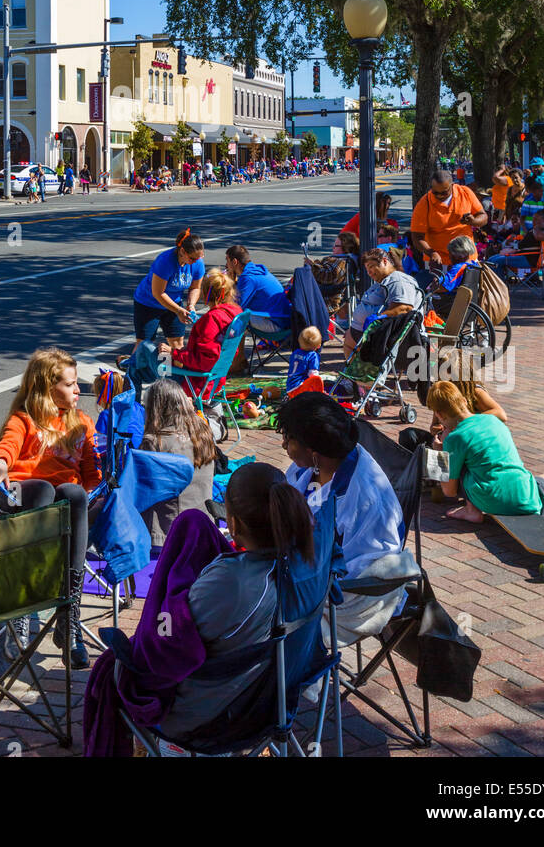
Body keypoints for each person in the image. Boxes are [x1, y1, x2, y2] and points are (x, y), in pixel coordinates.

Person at [153, 464, 316, 750]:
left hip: (212, 714)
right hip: (271, 698)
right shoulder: (307, 566)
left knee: (113, 672)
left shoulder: (231, 581)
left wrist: (170, 597)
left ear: (234, 524)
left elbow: (173, 639)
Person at [0, 347, 101, 668]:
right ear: (47, 387)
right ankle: (22, 608)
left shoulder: (83, 424)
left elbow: (92, 477)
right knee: (44, 489)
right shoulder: (24, 419)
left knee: (74, 494)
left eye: (77, 383)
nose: (79, 390)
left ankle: (68, 616)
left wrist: (107, 473)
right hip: (19, 497)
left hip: (59, 510)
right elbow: (7, 444)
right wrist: (0, 465)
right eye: (70, 384)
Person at [279, 393, 406, 646]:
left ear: (314, 452)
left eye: (288, 439)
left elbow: (361, 573)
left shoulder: (364, 500)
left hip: (351, 596)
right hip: (311, 567)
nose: (283, 446)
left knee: (253, 614)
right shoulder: (318, 463)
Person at [428, 380, 544, 523]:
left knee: (462, 465)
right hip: (528, 498)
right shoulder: (494, 420)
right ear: (464, 401)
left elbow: (449, 491)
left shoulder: (454, 438)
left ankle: (471, 511)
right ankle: (521, 497)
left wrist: (439, 454)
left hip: (490, 499)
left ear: (440, 415)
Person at [140, 381, 217, 547]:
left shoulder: (154, 442)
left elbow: (141, 490)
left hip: (167, 533)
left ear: (154, 408)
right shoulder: (203, 431)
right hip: (204, 523)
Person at [159, 268, 243, 404]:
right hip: (217, 379)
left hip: (197, 382)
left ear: (206, 293)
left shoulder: (212, 319)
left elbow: (204, 361)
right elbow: (218, 343)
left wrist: (173, 352)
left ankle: (132, 407)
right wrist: (200, 322)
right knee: (144, 357)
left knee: (149, 352)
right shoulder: (235, 313)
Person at [132, 228, 206, 352]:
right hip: (148, 303)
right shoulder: (165, 261)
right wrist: (178, 311)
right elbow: (158, 293)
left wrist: (191, 305)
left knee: (177, 343)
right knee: (143, 345)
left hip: (174, 303)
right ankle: (132, 370)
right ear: (182, 251)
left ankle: (171, 371)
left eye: (200, 257)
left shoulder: (197, 263)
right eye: (193, 258)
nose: (196, 262)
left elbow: (195, 287)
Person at [345, 246, 420, 356]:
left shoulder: (398, 280)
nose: (369, 272)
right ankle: (357, 372)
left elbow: (404, 307)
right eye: (366, 269)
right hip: (368, 334)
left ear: (385, 261)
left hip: (385, 337)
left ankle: (360, 372)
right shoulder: (385, 281)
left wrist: (378, 318)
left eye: (371, 266)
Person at [410, 169, 487, 268]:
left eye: (444, 192)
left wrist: (474, 221)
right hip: (440, 262)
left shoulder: (465, 192)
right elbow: (416, 237)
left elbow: (483, 216)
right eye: (435, 192)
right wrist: (431, 253)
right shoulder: (425, 203)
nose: (439, 196)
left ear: (452, 185)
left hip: (467, 258)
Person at [224, 243, 292, 333]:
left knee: (236, 318)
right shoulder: (255, 271)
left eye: (227, 260)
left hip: (276, 324)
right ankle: (239, 347)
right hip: (284, 320)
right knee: (241, 315)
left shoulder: (248, 277)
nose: (226, 265)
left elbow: (236, 306)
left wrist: (229, 283)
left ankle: (226, 346)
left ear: (235, 262)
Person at [487, 206, 544, 276]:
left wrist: (536, 227)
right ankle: (497, 282)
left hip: (528, 260)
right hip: (521, 255)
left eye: (535, 219)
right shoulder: (534, 230)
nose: (533, 221)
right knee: (491, 259)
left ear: (542, 220)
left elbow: (539, 236)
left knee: (496, 261)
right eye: (533, 219)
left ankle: (499, 284)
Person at [333, 193, 398, 252]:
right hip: (346, 244)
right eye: (387, 203)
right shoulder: (366, 215)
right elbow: (363, 235)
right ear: (379, 203)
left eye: (389, 203)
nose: (388, 206)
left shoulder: (375, 216)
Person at [286, 325, 323, 392]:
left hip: (290, 386)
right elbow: (313, 374)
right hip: (301, 387)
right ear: (319, 346)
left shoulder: (295, 352)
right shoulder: (313, 355)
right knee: (318, 380)